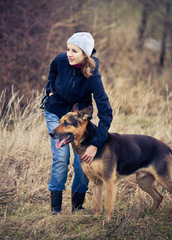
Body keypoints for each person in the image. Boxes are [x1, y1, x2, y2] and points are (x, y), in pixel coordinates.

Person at [43, 32, 113, 214]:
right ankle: (55, 210)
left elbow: (106, 113)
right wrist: (50, 90)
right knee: (61, 158)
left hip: (78, 119)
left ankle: (77, 207)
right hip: (56, 113)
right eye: (68, 49)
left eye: (75, 51)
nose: (69, 54)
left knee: (82, 162)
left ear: (85, 55)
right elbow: (52, 72)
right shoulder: (60, 60)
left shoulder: (93, 76)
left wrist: (95, 145)